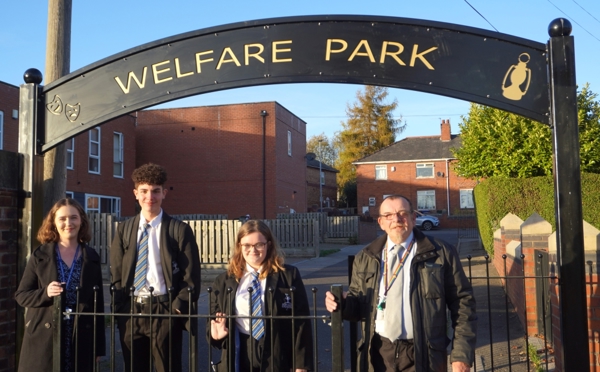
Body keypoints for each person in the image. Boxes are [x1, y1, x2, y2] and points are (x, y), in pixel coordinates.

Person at [325, 195, 477, 372]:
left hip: (424, 354)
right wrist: (342, 304)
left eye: (402, 213)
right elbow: (358, 307)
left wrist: (461, 355)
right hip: (378, 355)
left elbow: (463, 303)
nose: (396, 219)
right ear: (381, 222)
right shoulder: (365, 257)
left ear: (413, 218)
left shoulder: (440, 253)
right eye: (389, 215)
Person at [110, 163, 201, 372]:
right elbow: (115, 271)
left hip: (165, 310)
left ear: (164, 193)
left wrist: (178, 307)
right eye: (144, 191)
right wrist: (120, 307)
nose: (149, 196)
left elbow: (191, 276)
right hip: (131, 310)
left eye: (155, 191)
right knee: (134, 367)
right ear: (135, 193)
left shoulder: (179, 230)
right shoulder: (124, 230)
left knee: (167, 367)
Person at [209, 220, 313, 372]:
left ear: (268, 244)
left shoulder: (289, 275)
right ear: (239, 246)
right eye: (247, 245)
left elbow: (301, 322)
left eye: (259, 244)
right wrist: (215, 336)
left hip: (277, 351)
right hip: (240, 351)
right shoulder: (223, 281)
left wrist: (301, 365)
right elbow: (214, 321)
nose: (253, 250)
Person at [15, 198, 105, 372]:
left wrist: (99, 347)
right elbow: (21, 295)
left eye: (73, 218)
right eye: (62, 219)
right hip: (45, 336)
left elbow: (98, 305)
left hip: (79, 337)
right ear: (54, 223)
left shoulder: (92, 257)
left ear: (81, 221)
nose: (68, 223)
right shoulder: (40, 255)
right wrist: (45, 293)